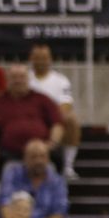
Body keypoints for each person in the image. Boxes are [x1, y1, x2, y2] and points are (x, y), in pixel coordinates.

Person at [27, 44, 81, 179]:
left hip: (53, 120)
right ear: (31, 59)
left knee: (71, 119)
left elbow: (66, 104)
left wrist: (52, 119)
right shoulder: (25, 79)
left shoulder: (61, 80)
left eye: (44, 58)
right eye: (37, 58)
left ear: (50, 59)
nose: (41, 61)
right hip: (27, 119)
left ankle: (67, 166)